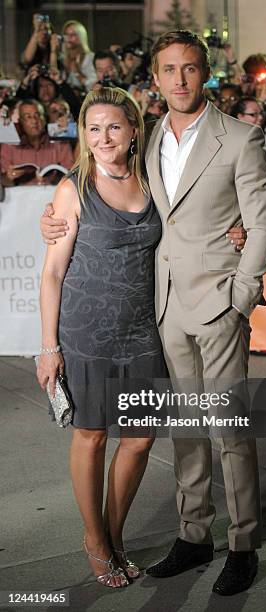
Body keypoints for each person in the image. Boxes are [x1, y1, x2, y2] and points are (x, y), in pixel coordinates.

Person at [40, 29, 266, 597]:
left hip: (215, 303)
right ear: (157, 79)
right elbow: (92, 201)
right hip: (160, 310)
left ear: (205, 72)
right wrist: (51, 222)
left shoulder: (242, 138)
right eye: (169, 70)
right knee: (186, 432)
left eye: (190, 69)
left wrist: (240, 295)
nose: (179, 80)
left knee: (228, 428)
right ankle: (195, 534)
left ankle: (243, 542)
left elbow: (261, 224)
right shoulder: (144, 146)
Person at [36, 86, 170, 588]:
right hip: (85, 333)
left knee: (139, 437)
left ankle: (113, 535)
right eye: (93, 128)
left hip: (141, 331)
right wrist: (48, 347)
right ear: (83, 136)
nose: (104, 137)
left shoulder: (153, 181)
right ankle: (94, 540)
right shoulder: (73, 189)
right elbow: (52, 273)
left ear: (134, 129)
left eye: (114, 126)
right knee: (91, 436)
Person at [1, 99, 73, 186]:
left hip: (52, 194)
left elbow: (71, 175)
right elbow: (3, 183)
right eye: (28, 117)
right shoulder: (10, 145)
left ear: (44, 118)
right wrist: (8, 177)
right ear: (20, 122)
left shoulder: (59, 142)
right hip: (20, 196)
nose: (35, 121)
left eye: (38, 115)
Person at [62, 20, 97, 93]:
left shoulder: (91, 57)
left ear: (81, 36)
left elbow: (94, 85)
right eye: (66, 34)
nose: (69, 38)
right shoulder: (61, 59)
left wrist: (78, 73)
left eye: (73, 34)